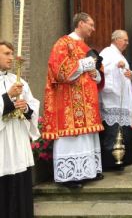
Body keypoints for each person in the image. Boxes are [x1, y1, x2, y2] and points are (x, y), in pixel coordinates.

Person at [42, 12, 104, 189]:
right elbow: (59, 71)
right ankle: (70, 175)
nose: (93, 28)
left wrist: (96, 73)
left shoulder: (84, 46)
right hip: (69, 101)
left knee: (86, 137)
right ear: (81, 23)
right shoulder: (63, 43)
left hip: (86, 103)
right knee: (73, 139)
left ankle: (87, 171)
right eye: (91, 24)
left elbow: (93, 72)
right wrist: (86, 64)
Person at [0, 41, 40, 218]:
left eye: (11, 53)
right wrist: (8, 96)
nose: (11, 57)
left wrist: (25, 108)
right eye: (6, 54)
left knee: (21, 189)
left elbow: (33, 105)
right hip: (2, 144)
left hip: (17, 142)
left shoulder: (18, 81)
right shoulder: (12, 87)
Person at [99, 30, 132, 170]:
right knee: (112, 134)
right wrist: (116, 68)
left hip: (123, 102)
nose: (127, 43)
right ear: (115, 39)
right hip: (112, 101)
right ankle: (110, 163)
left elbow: (128, 76)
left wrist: (130, 75)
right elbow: (101, 74)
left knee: (123, 133)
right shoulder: (107, 53)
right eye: (124, 40)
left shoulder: (120, 56)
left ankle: (123, 159)